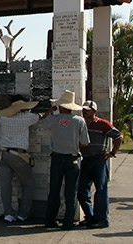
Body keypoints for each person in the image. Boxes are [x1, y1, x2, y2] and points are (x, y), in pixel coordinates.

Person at [41, 90, 90, 230]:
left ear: (60, 106)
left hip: (56, 157)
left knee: (54, 191)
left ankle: (50, 220)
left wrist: (50, 110)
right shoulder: (79, 121)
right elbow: (85, 142)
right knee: (71, 192)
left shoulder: (53, 119)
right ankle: (68, 222)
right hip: (73, 159)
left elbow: (42, 122)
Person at [77, 100, 123, 228]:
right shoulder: (82, 123)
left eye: (87, 109)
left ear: (94, 111)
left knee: (101, 190)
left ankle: (102, 219)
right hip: (85, 159)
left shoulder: (103, 124)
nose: (84, 111)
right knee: (81, 190)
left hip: (99, 160)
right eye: (83, 109)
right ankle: (90, 217)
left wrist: (112, 152)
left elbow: (118, 137)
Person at [0, 96, 40, 223]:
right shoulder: (27, 118)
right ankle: (22, 214)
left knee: (5, 186)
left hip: (3, 154)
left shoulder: (3, 117)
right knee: (28, 184)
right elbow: (39, 117)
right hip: (19, 155)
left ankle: (8, 213)